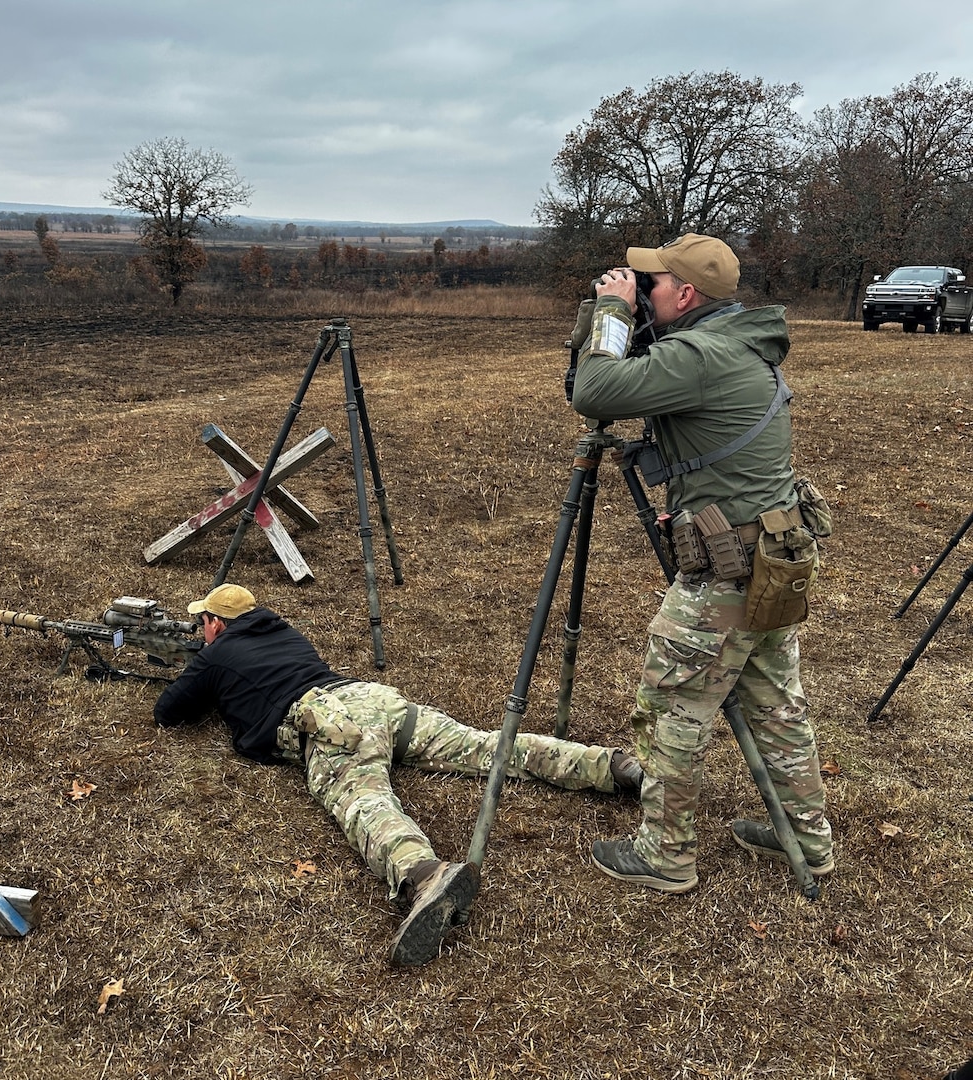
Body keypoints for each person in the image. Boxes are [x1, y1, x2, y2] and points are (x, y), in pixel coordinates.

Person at [154, 583, 643, 965]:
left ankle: (424, 876)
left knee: (364, 801)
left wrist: (199, 672)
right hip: (375, 700)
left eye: (203, 624)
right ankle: (609, 765)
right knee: (486, 746)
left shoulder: (214, 653)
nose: (200, 632)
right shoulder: (284, 632)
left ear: (216, 624)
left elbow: (168, 712)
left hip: (331, 725)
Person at [569, 232, 833, 895]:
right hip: (774, 553)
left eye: (650, 285)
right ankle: (805, 838)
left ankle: (664, 854)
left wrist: (609, 312)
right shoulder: (740, 343)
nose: (642, 291)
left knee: (671, 709)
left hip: (726, 571)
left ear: (685, 295)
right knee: (777, 705)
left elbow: (594, 389)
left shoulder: (697, 354)